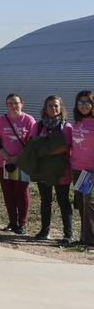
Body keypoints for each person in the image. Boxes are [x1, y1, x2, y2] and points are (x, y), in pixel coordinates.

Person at [0, 94, 37, 234]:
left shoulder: (28, 120)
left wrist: (17, 157)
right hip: (3, 162)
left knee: (21, 192)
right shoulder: (1, 120)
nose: (13, 106)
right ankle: (12, 221)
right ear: (6, 105)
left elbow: (31, 142)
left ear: (22, 103)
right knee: (8, 192)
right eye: (10, 103)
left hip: (21, 162)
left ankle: (21, 223)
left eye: (16, 103)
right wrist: (7, 157)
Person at [30, 95, 73, 242]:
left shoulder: (66, 127)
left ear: (61, 108)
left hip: (62, 170)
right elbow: (32, 144)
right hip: (43, 169)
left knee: (63, 201)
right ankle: (44, 230)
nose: (53, 108)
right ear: (45, 108)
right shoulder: (38, 126)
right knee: (45, 200)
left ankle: (68, 234)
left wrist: (46, 150)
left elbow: (65, 147)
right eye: (50, 106)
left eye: (56, 106)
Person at [71, 91, 94, 247]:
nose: (84, 105)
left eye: (87, 102)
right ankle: (84, 236)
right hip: (76, 168)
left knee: (89, 204)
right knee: (80, 203)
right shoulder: (76, 123)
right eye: (81, 102)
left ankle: (89, 240)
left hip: (90, 170)